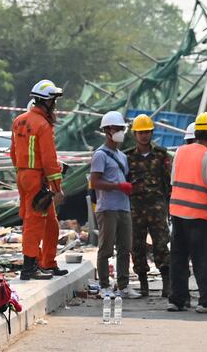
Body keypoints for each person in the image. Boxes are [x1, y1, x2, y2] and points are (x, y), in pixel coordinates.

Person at [168, 112, 207, 314]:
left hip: (177, 212)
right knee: (203, 258)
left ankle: (177, 300)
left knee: (178, 257)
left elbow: (173, 180)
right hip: (199, 215)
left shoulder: (180, 152)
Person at [10, 79, 66, 280]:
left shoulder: (19, 120)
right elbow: (50, 160)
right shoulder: (42, 124)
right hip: (36, 179)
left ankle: (47, 263)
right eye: (54, 101)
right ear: (47, 101)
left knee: (50, 222)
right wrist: (57, 187)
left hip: (23, 176)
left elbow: (13, 152)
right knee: (34, 223)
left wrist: (22, 174)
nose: (55, 105)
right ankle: (29, 268)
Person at [90, 111, 136, 297]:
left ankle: (123, 286)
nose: (120, 132)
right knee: (106, 249)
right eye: (117, 129)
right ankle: (104, 286)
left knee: (125, 248)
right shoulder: (100, 155)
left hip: (123, 207)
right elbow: (95, 182)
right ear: (107, 130)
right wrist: (118, 186)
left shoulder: (122, 156)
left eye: (122, 129)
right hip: (107, 208)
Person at [126, 113, 171, 298]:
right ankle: (143, 284)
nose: (144, 136)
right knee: (137, 246)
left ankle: (167, 284)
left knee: (161, 244)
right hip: (136, 207)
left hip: (157, 206)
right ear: (134, 134)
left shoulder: (161, 155)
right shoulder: (127, 157)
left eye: (147, 132)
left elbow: (168, 181)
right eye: (141, 132)